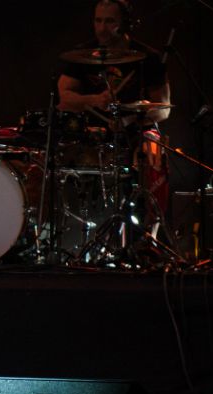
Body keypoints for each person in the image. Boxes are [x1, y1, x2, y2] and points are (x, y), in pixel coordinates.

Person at [57, 0, 172, 226]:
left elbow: (164, 108)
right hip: (92, 134)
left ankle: (149, 234)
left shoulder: (148, 58)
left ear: (125, 24)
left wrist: (129, 119)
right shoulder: (83, 56)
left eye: (110, 21)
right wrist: (94, 100)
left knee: (153, 146)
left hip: (136, 133)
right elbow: (65, 97)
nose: (102, 28)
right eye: (98, 21)